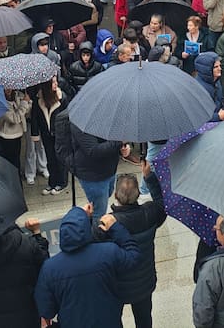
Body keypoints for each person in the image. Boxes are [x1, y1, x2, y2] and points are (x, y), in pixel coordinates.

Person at [35, 204, 141, 328]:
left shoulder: (49, 268)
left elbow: (46, 310)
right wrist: (115, 227)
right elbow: (134, 256)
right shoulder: (108, 252)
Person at [111, 162, 167, 328]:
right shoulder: (150, 213)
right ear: (138, 194)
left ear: (115, 195)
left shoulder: (109, 223)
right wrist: (149, 177)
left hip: (117, 285)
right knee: (144, 320)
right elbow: (162, 202)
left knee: (113, 319)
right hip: (144, 281)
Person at [57, 117, 127, 220]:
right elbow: (93, 151)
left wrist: (123, 148)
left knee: (105, 196)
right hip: (93, 174)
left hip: (109, 168)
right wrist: (119, 142)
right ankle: (96, 232)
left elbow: (114, 135)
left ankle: (91, 210)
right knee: (99, 212)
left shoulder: (109, 113)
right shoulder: (80, 120)